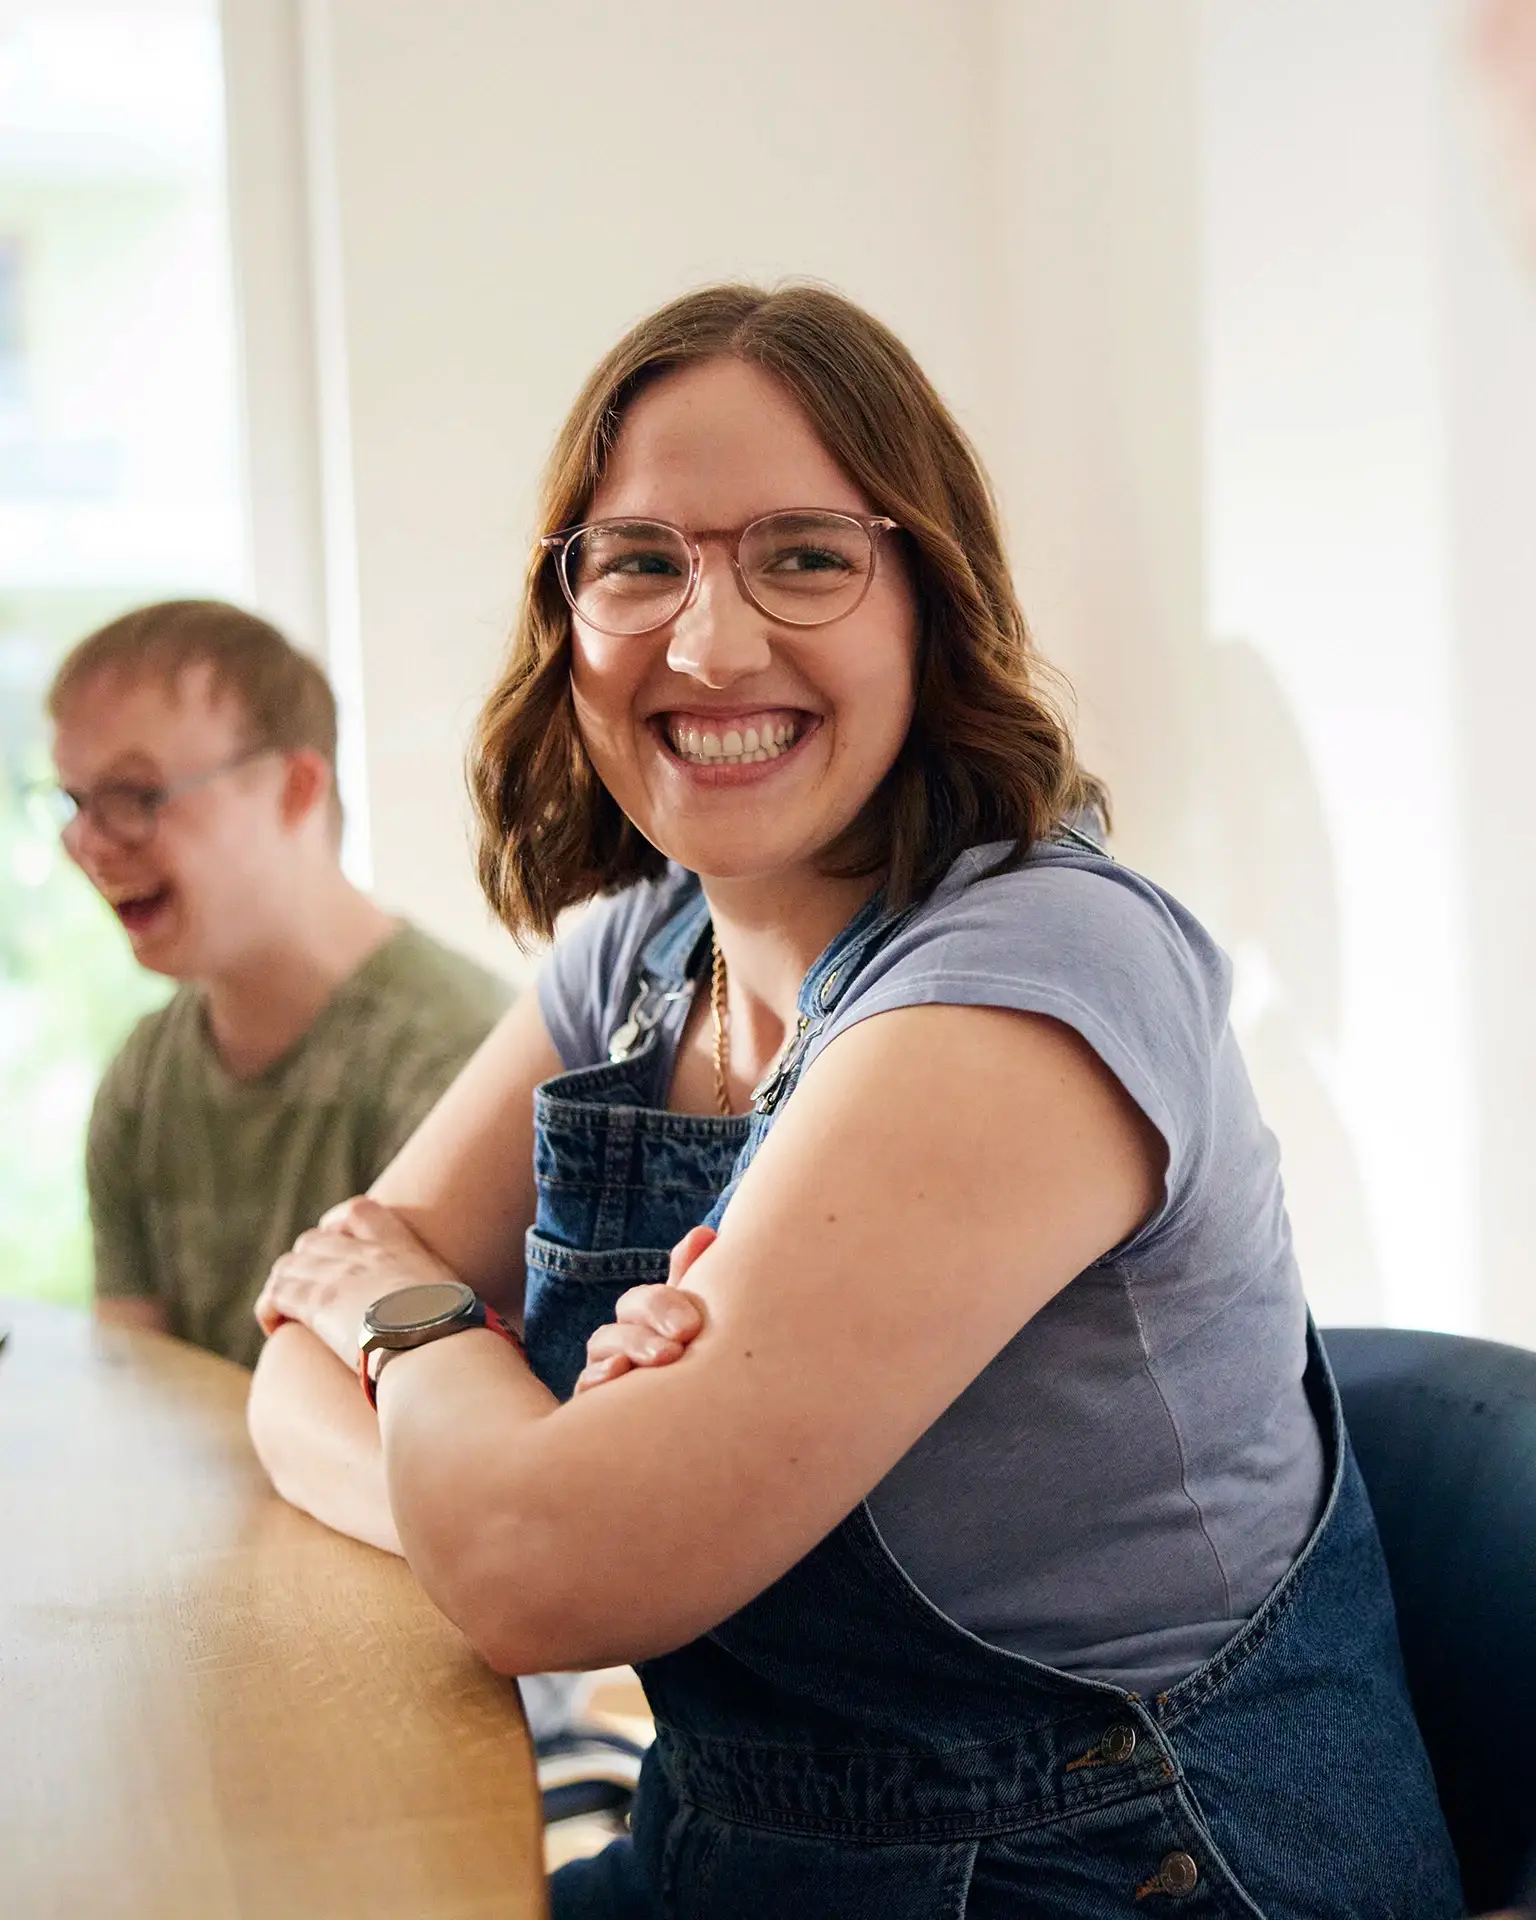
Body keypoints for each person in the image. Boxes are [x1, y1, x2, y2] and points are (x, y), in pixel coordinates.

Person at [250, 285, 1462, 1917]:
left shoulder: (1028, 979)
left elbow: (539, 1568)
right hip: (735, 1844)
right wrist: (493, 1491)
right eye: (640, 562)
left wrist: (415, 1333)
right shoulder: (634, 954)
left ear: (929, 604)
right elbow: (297, 1381)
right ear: (567, 616)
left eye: (805, 556)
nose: (711, 640)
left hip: (1107, 1873)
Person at [45, 601, 507, 1421]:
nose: (88, 842)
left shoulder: (457, 1058)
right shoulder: (142, 1076)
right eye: (75, 802)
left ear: (295, 787)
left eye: (133, 794)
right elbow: (136, 1393)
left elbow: (448, 1419)